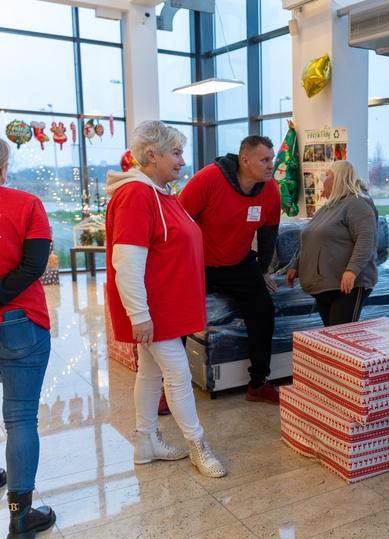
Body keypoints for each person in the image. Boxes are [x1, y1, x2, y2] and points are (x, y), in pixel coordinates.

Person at [106, 120, 226, 479]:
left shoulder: (162, 193)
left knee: (151, 371)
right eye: (176, 153)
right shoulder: (137, 196)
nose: (182, 161)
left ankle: (146, 443)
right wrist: (139, 315)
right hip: (155, 310)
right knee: (177, 373)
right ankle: (197, 445)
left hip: (164, 306)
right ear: (151, 155)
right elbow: (126, 262)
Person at [179, 136, 281, 405]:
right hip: (199, 264)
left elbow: (268, 232)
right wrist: (178, 267)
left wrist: (262, 271)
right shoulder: (209, 179)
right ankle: (168, 389)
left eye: (272, 158)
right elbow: (179, 222)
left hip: (239, 264)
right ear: (245, 160)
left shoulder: (271, 190)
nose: (272, 165)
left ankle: (258, 384)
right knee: (179, 319)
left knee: (264, 310)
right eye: (265, 159)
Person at [0, 138, 56, 539]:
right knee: (20, 418)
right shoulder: (26, 204)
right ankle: (21, 519)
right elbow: (35, 264)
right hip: (20, 322)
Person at [285, 161, 378, 326]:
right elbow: (312, 240)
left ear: (339, 179)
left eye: (326, 175)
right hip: (325, 286)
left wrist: (352, 270)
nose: (322, 180)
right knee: (332, 343)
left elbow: (366, 239)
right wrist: (296, 266)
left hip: (348, 286)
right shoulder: (329, 206)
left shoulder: (357, 202)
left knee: (341, 341)